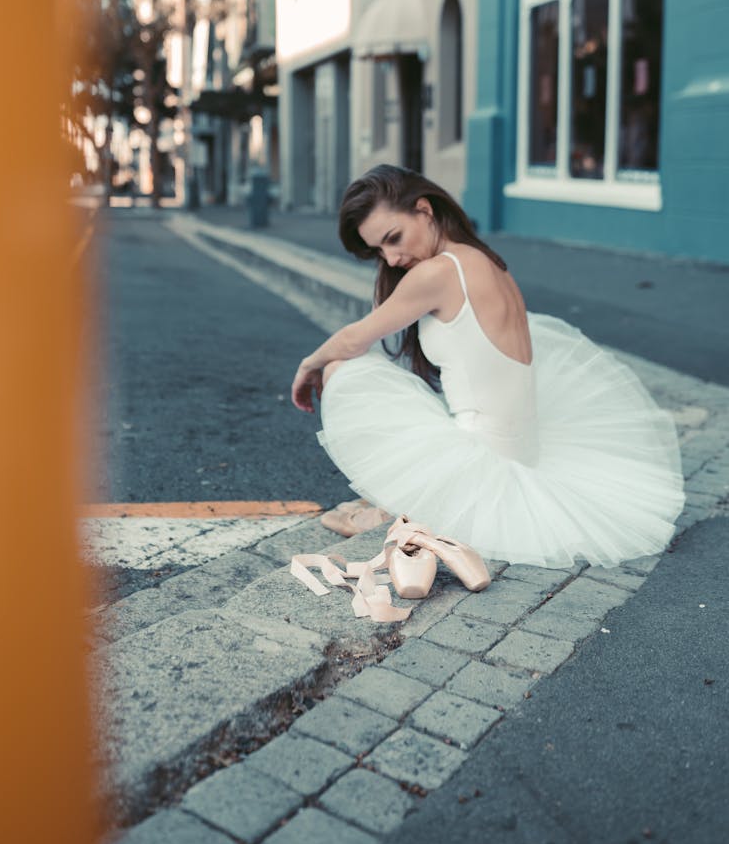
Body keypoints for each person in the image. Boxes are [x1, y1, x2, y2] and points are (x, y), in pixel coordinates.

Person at [290, 165, 684, 616]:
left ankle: (399, 505)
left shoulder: (439, 272)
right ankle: (400, 504)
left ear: (425, 210)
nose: (391, 258)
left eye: (393, 238)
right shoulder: (488, 262)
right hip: (524, 452)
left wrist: (309, 365)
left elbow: (355, 338)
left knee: (342, 364)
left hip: (482, 462)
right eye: (378, 249)